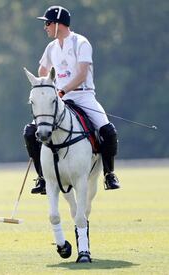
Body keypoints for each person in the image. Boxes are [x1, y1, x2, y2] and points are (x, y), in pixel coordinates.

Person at [23, 5, 120, 194]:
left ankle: (109, 174)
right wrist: (47, 86)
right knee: (30, 132)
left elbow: (82, 74)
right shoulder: (51, 47)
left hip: (83, 95)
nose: (46, 27)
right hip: (58, 100)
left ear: (59, 24)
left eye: (48, 23)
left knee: (108, 131)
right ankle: (42, 178)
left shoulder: (80, 43)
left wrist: (63, 89)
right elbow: (42, 71)